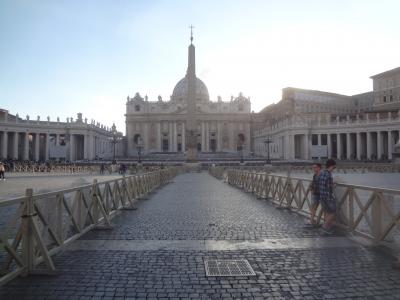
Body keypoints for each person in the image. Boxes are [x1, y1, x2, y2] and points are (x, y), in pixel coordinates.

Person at [318, 159, 337, 234]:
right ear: (331, 166)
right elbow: (329, 187)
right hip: (328, 196)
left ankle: (328, 228)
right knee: (333, 212)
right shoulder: (329, 175)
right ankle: (325, 227)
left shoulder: (322, 173)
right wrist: (334, 185)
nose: (333, 170)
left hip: (322, 196)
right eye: (334, 168)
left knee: (327, 211)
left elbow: (320, 183)